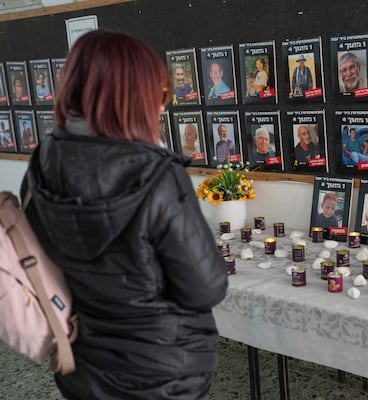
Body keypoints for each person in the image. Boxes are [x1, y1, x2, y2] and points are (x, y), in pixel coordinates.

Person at [20, 30, 227, 399]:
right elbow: (205, 288)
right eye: (159, 95)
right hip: (164, 370)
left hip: (83, 364)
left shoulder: (41, 169)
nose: (163, 107)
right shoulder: (158, 176)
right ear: (132, 97)